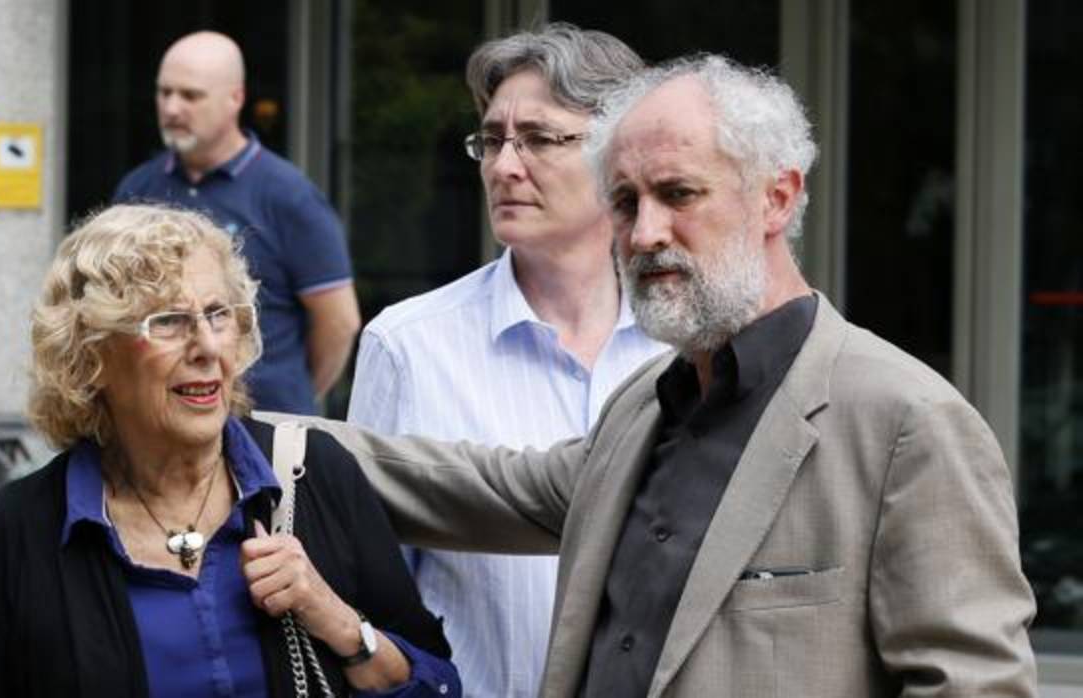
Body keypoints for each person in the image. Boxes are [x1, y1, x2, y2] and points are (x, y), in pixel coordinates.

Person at [266, 54, 1038, 696]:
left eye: (679, 194)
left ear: (777, 197)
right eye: (627, 202)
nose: (646, 233)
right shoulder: (650, 404)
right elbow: (473, 486)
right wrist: (229, 428)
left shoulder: (905, 421)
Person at [0, 205, 459, 698]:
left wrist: (340, 623)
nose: (207, 346)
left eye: (218, 314)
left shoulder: (314, 476)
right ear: (90, 355)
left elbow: (438, 683)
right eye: (166, 321)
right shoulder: (16, 535)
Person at [346, 24, 665, 698]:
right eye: (492, 140)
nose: (503, 166)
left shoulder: (685, 347)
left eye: (541, 140)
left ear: (620, 157)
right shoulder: (408, 346)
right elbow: (368, 595)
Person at [114, 31, 360, 415]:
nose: (172, 108)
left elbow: (339, 322)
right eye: (165, 93)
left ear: (236, 99)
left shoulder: (289, 195)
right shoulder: (137, 189)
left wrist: (292, 395)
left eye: (190, 96)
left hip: (265, 427)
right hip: (163, 425)